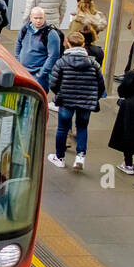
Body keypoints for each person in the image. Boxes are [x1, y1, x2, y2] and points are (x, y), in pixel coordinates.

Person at [46, 31, 106, 170]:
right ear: (83, 44)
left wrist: (60, 94)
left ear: (67, 43)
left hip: (66, 100)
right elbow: (101, 85)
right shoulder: (93, 63)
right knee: (82, 127)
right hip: (86, 102)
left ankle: (59, 157)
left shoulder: (61, 62)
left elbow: (53, 83)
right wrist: (93, 97)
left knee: (62, 129)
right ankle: (80, 156)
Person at [15, 6, 61, 90]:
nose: (38, 21)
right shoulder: (25, 29)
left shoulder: (51, 34)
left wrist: (42, 73)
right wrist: (17, 62)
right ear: (31, 18)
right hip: (23, 72)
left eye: (41, 18)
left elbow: (53, 56)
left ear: (44, 18)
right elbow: (18, 44)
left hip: (38, 76)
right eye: (36, 18)